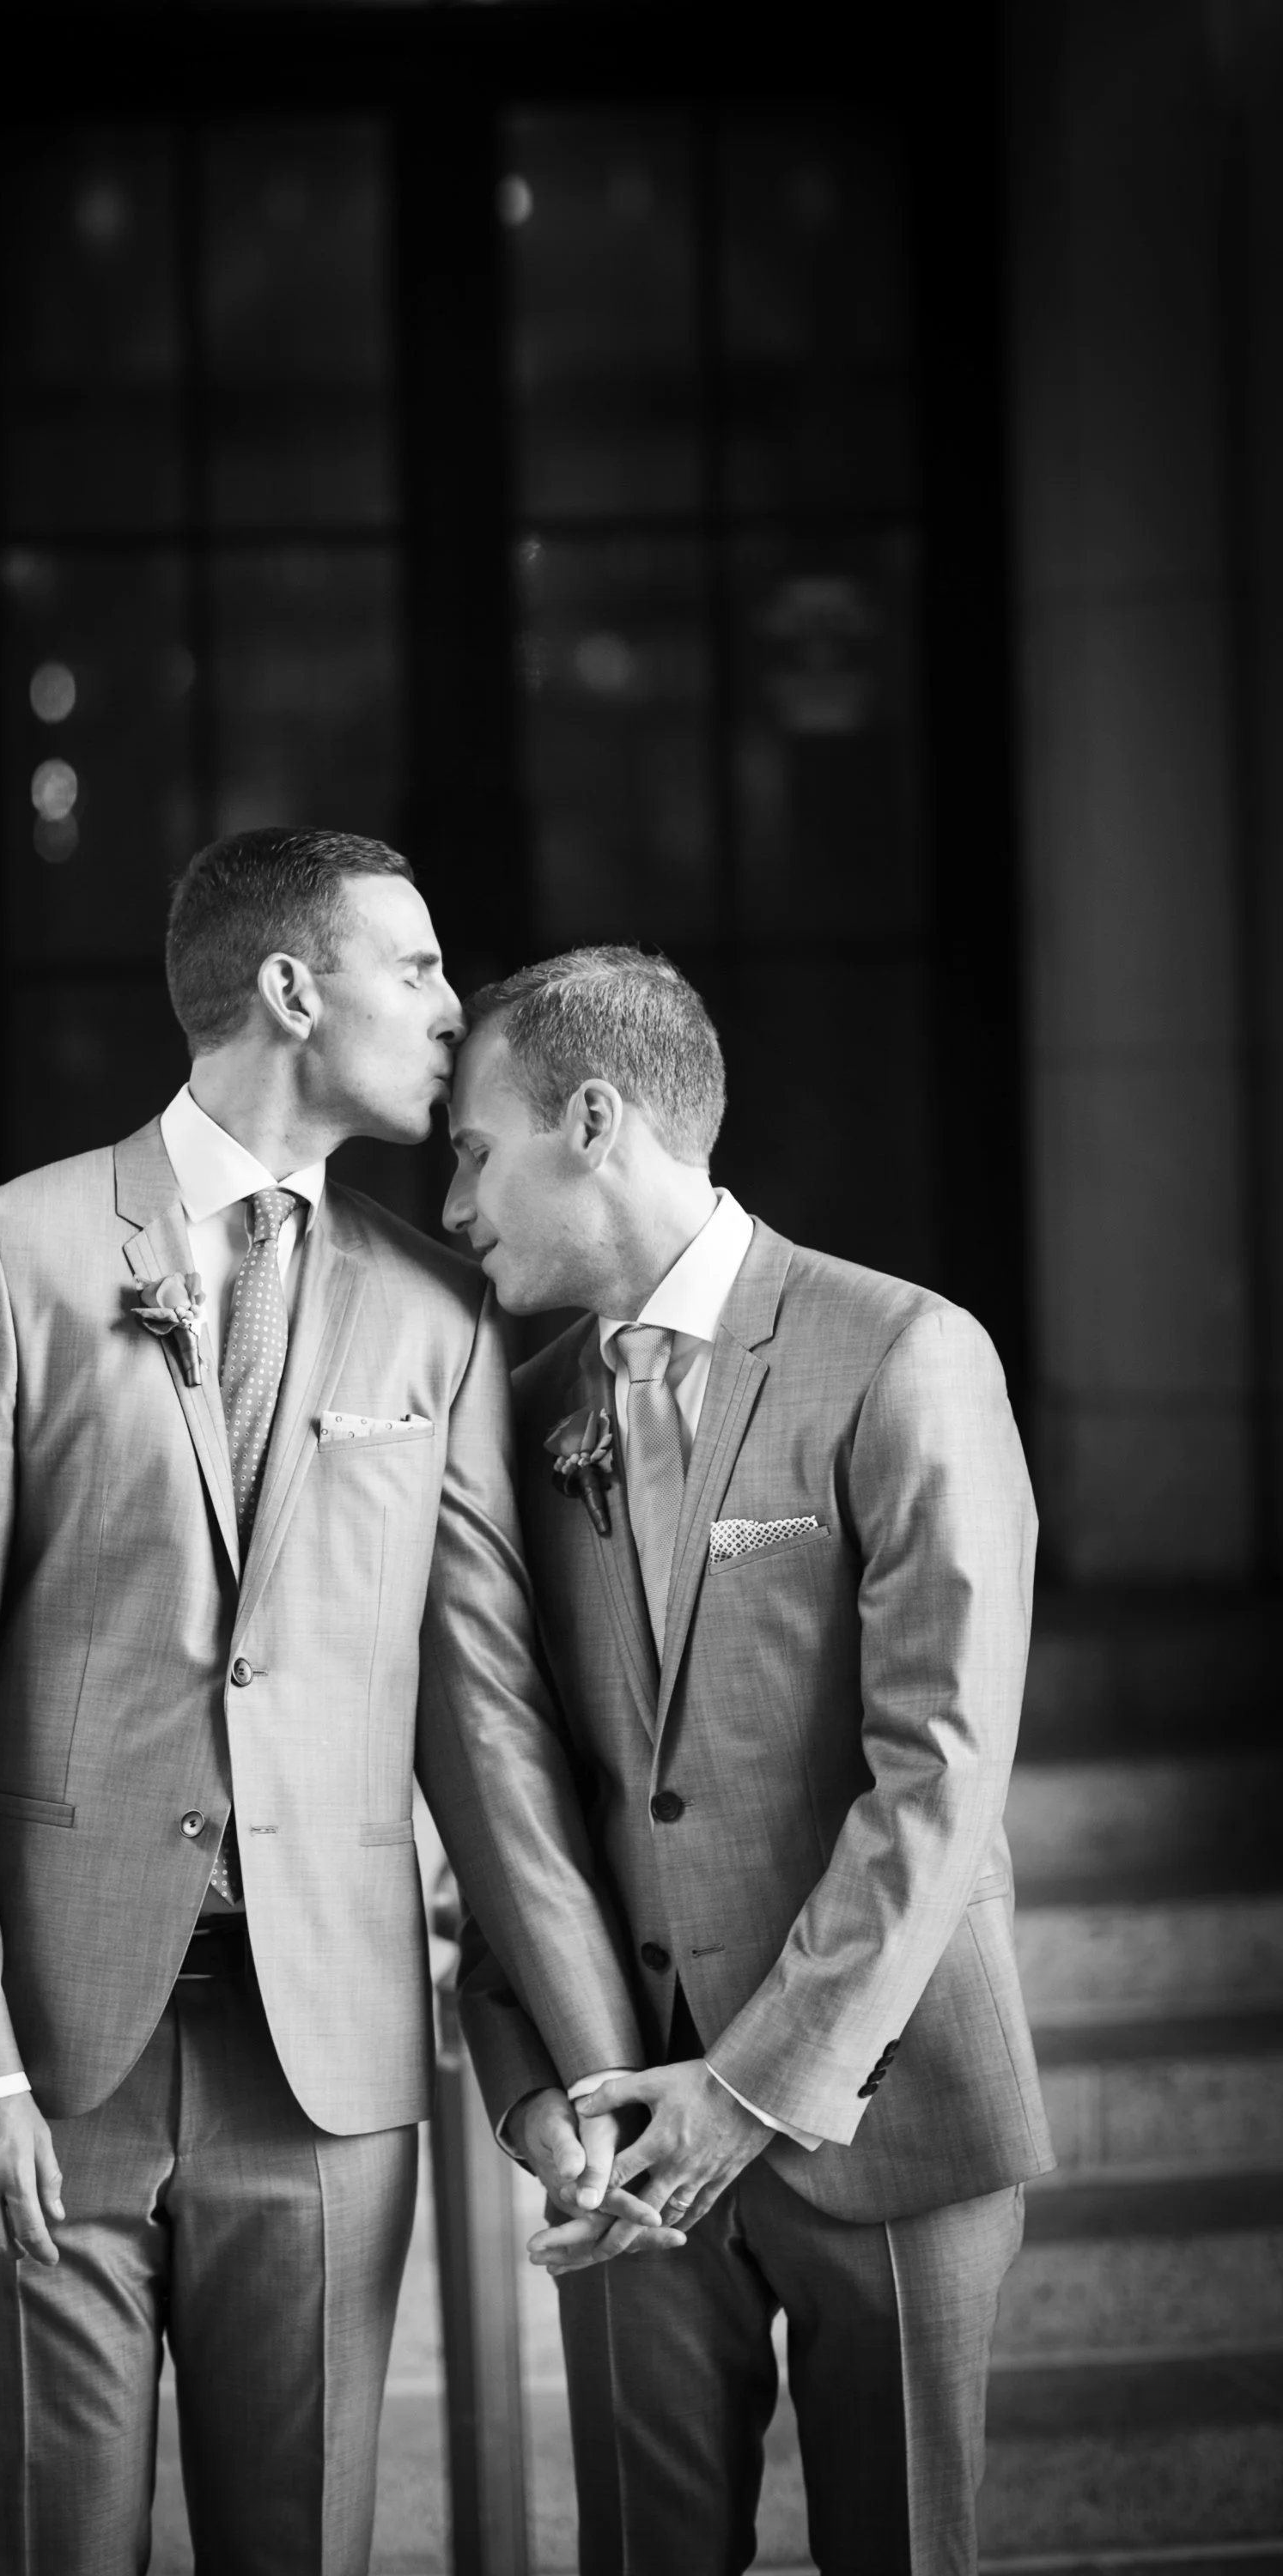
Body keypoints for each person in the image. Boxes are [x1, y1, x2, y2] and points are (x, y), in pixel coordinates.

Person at [0, 832, 648, 2576]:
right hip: (53, 2057)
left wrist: (598, 2067)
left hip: (326, 2065)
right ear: (292, 990)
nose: (454, 1008)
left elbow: (486, 1726)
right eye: (416, 967)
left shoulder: (434, 1314)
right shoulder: (8, 1256)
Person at [443, 945, 1055, 2576]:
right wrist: (533, 2094)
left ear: (591, 1117)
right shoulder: (521, 1410)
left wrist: (751, 2090)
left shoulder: (902, 1352)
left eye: (471, 1147)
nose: (451, 1202)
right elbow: (515, 1783)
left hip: (886, 2104)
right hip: (628, 2138)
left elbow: (939, 1772)